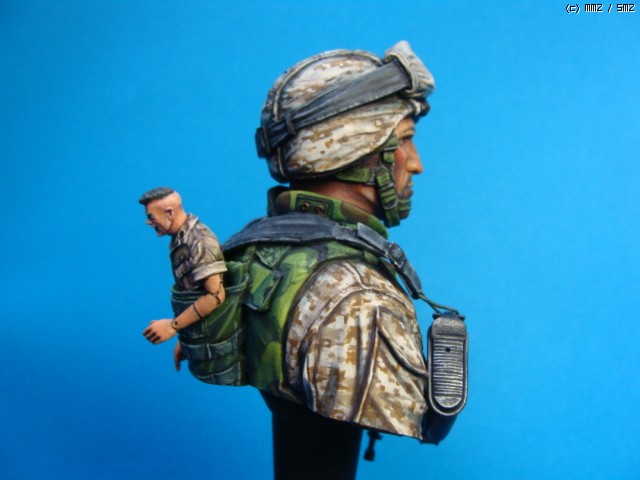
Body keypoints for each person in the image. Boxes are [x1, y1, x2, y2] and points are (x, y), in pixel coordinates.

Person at [223, 41, 467, 479]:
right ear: (357, 150)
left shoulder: (255, 251)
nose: (416, 164)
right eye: (405, 141)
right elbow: (428, 423)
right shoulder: (361, 299)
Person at [139, 187, 227, 371]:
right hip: (200, 333)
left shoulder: (200, 242)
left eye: (151, 217)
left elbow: (215, 296)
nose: (148, 222)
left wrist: (173, 326)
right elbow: (194, 290)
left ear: (169, 213)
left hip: (217, 338)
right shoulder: (180, 240)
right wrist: (187, 336)